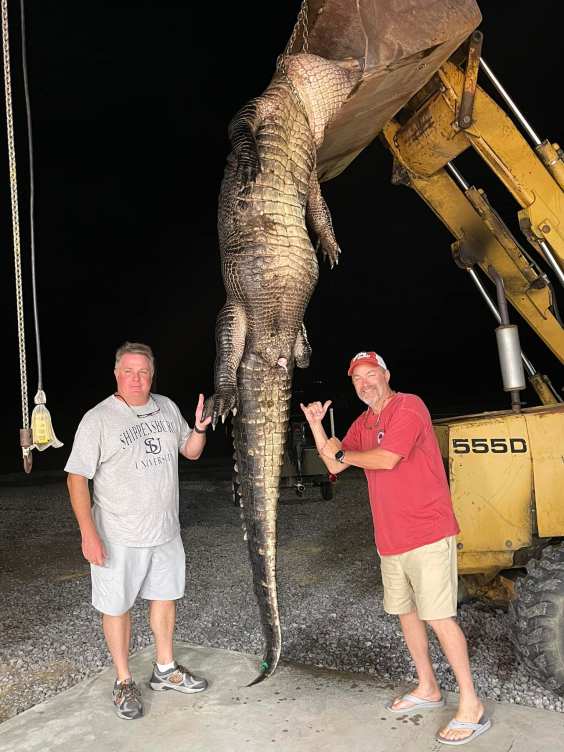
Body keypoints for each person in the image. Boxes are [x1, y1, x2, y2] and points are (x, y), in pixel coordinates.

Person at [300, 351, 490, 746]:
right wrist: (318, 428)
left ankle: (471, 704)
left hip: (427, 533)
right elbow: (334, 464)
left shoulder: (409, 406)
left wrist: (341, 453)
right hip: (391, 539)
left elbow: (386, 459)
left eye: (371, 375)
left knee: (439, 618)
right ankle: (428, 687)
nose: (365, 383)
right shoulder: (365, 421)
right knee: (406, 614)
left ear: (386, 374)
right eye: (357, 379)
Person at [65, 341, 212, 720]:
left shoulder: (166, 407)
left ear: (152, 375)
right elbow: (77, 478)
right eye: (128, 371)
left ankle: (165, 669)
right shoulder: (98, 419)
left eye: (143, 371)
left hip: (165, 530)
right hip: (117, 534)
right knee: (117, 606)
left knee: (164, 597)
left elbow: (191, 451)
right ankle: (124, 679)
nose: (136, 378)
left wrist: (198, 428)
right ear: (116, 374)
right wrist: (88, 533)